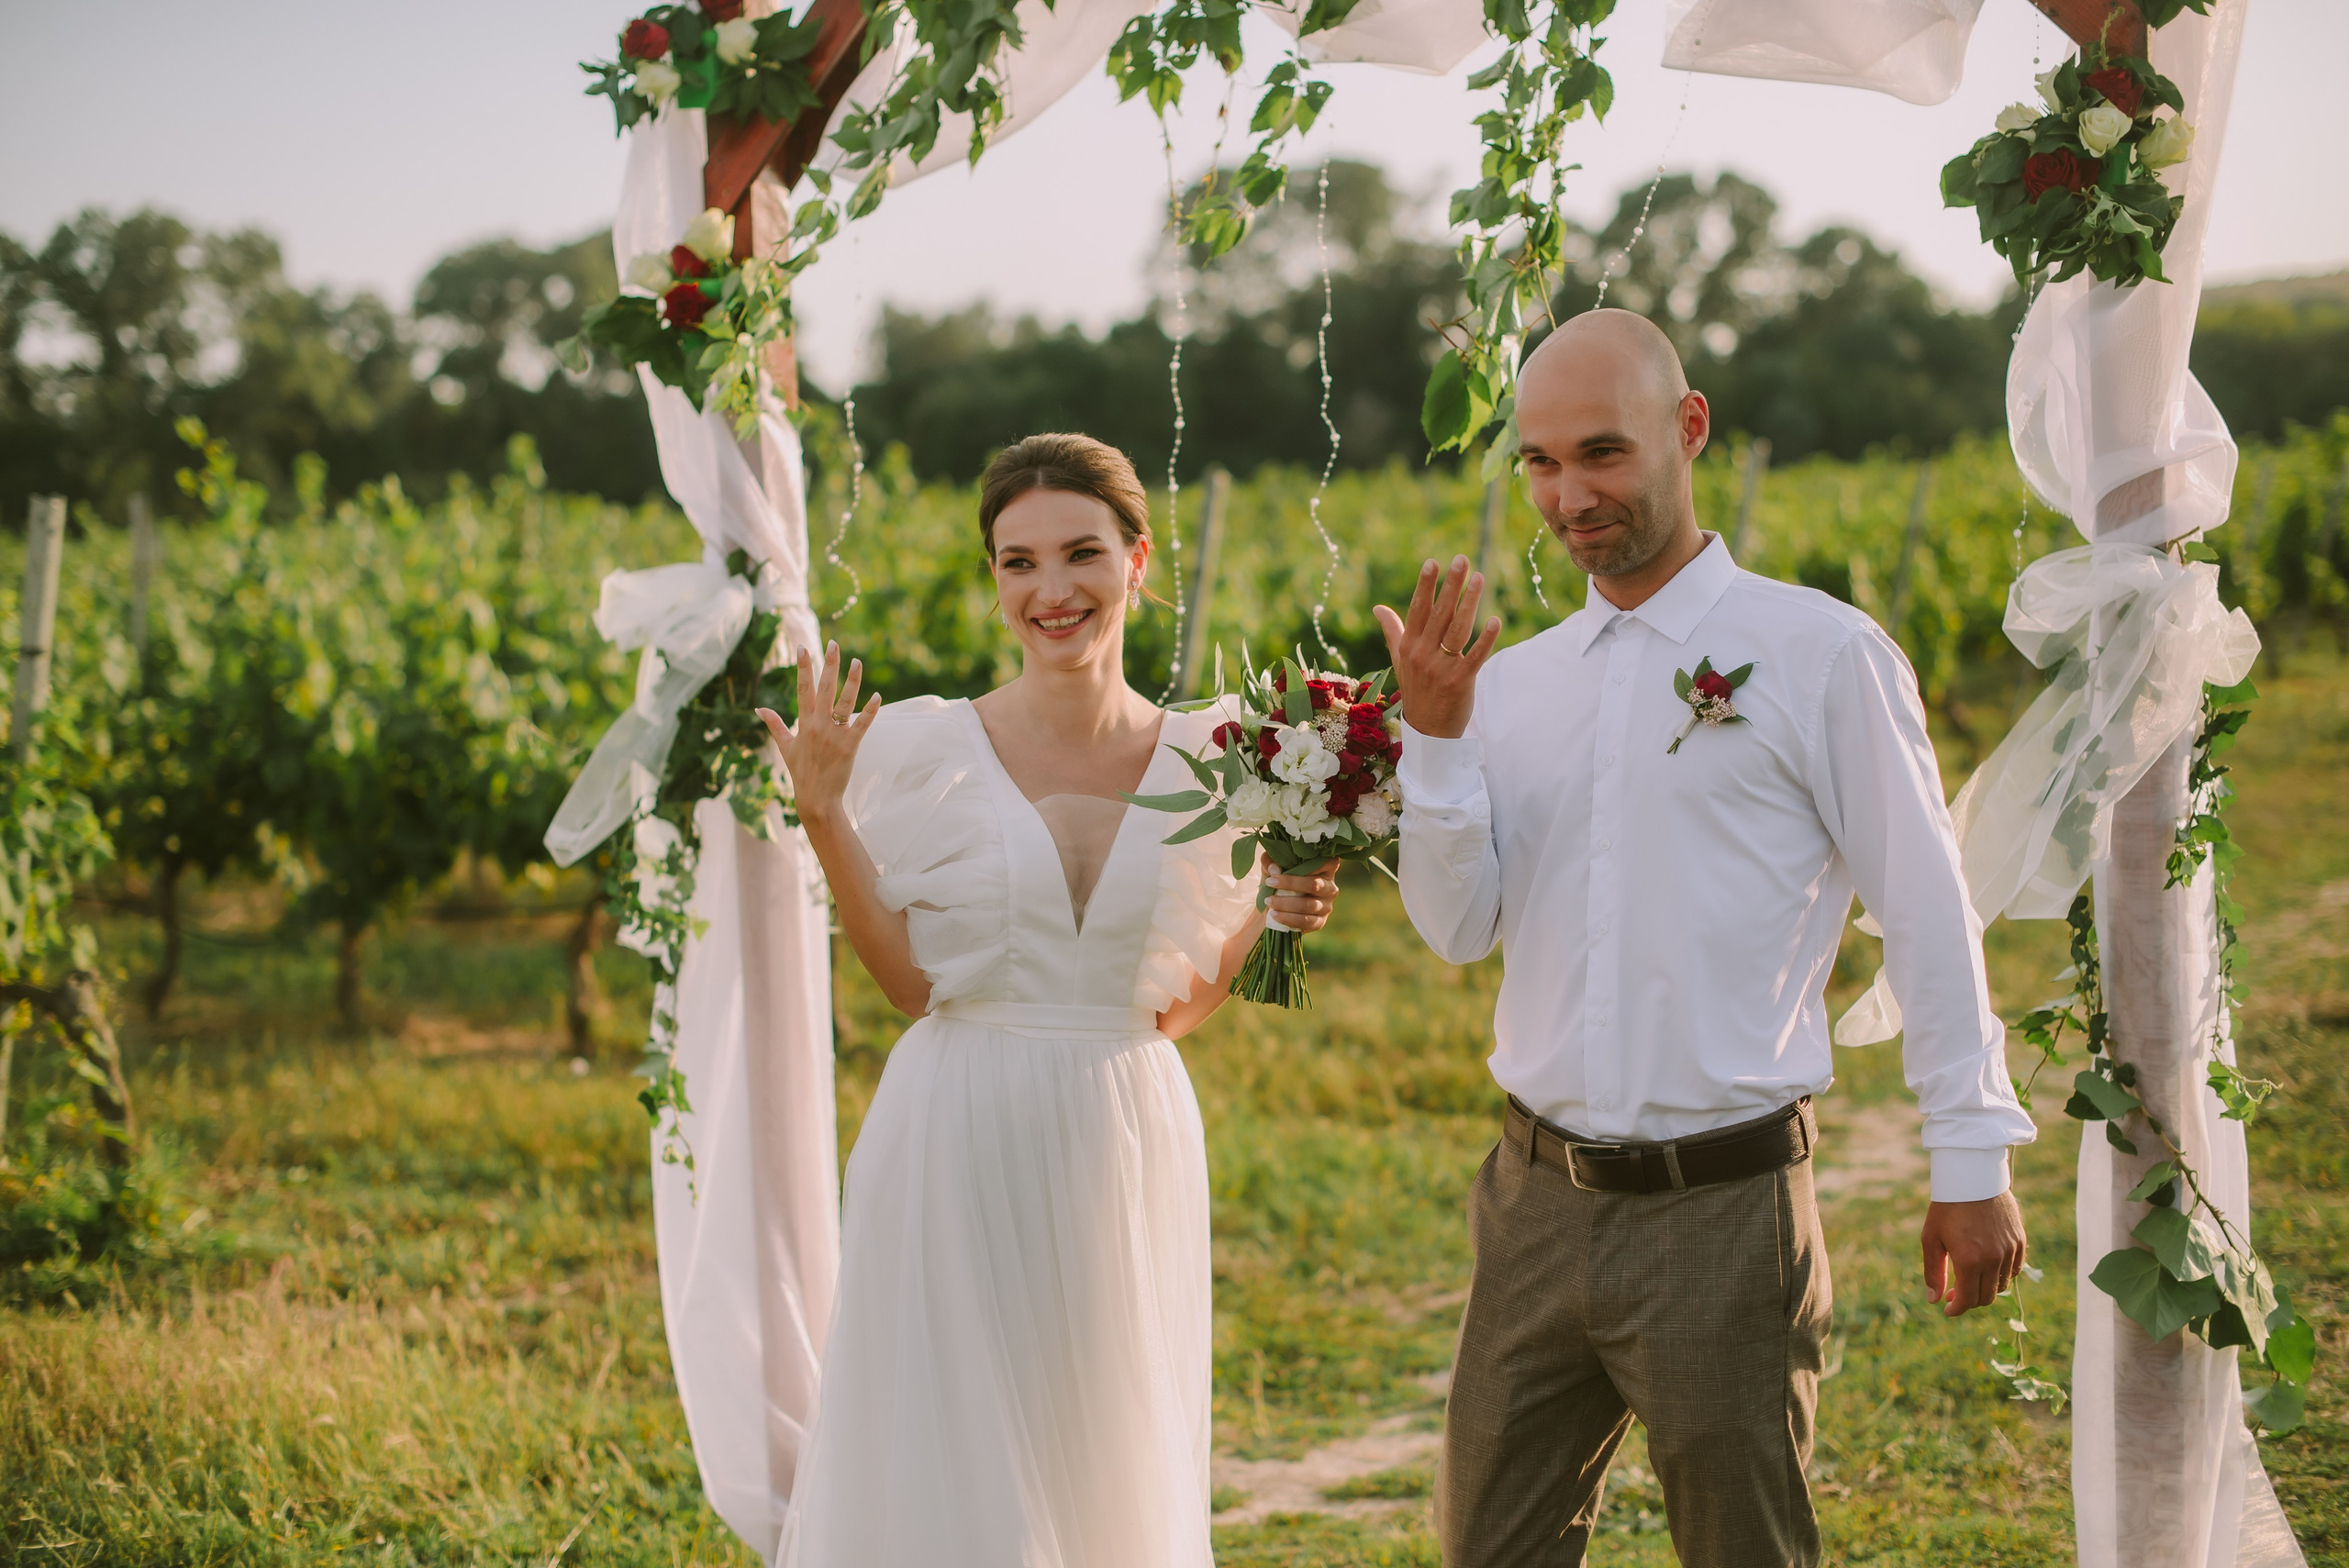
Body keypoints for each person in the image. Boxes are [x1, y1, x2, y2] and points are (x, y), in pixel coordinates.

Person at [1374, 309, 2037, 1568]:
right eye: (1540, 462)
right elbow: (1458, 931)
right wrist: (1441, 741)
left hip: (1722, 1212)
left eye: (1602, 454)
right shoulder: (1512, 682)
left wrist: (1971, 1153)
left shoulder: (1820, 653)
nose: (1568, 496)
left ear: (1690, 430)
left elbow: (1927, 910)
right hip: (1529, 1205)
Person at [754, 432, 1340, 1567]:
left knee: (1103, 1434)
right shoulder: (930, 748)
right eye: (1018, 562)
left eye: (1079, 553)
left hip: (1124, 1124)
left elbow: (1169, 1007)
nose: (1050, 589)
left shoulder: (1216, 755)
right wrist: (827, 815)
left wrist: (1267, 917)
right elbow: (910, 986)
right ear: (995, 579)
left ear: (1136, 556)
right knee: (957, 1450)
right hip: (955, 1119)